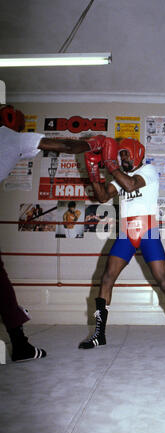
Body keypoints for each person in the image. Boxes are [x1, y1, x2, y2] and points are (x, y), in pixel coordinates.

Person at [78, 135, 165, 349]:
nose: (122, 159)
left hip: (148, 230)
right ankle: (99, 334)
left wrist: (111, 166)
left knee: (164, 281)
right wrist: (93, 174)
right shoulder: (119, 177)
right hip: (126, 232)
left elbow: (131, 185)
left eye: (125, 155)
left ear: (136, 154)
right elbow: (102, 197)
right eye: (120, 156)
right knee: (106, 278)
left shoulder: (147, 171)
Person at [0, 104, 91, 361]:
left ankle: (21, 345)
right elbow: (68, 146)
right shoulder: (12, 137)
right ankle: (20, 345)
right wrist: (93, 143)